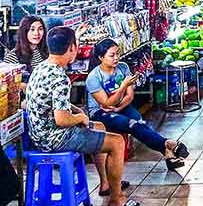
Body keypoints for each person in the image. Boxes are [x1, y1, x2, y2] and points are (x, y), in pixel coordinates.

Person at [25, 27, 136, 206]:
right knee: (117, 143)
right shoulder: (59, 77)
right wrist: (80, 119)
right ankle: (117, 200)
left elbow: (55, 104)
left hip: (38, 135)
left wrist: (77, 110)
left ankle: (106, 183)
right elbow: (61, 119)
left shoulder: (42, 68)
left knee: (99, 127)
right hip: (55, 138)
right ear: (72, 48)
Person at [87, 39, 188, 173]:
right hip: (100, 113)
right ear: (101, 57)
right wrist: (123, 86)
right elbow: (106, 103)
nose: (116, 58)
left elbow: (130, 96)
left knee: (139, 121)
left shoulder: (123, 68)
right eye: (112, 55)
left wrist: (118, 107)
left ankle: (167, 150)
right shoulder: (94, 77)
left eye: (118, 53)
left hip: (120, 106)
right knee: (132, 124)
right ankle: (167, 145)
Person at [4, 15, 48, 86]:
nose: (36, 33)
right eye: (32, 29)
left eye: (40, 29)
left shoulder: (47, 51)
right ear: (24, 32)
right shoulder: (13, 57)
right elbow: (5, 84)